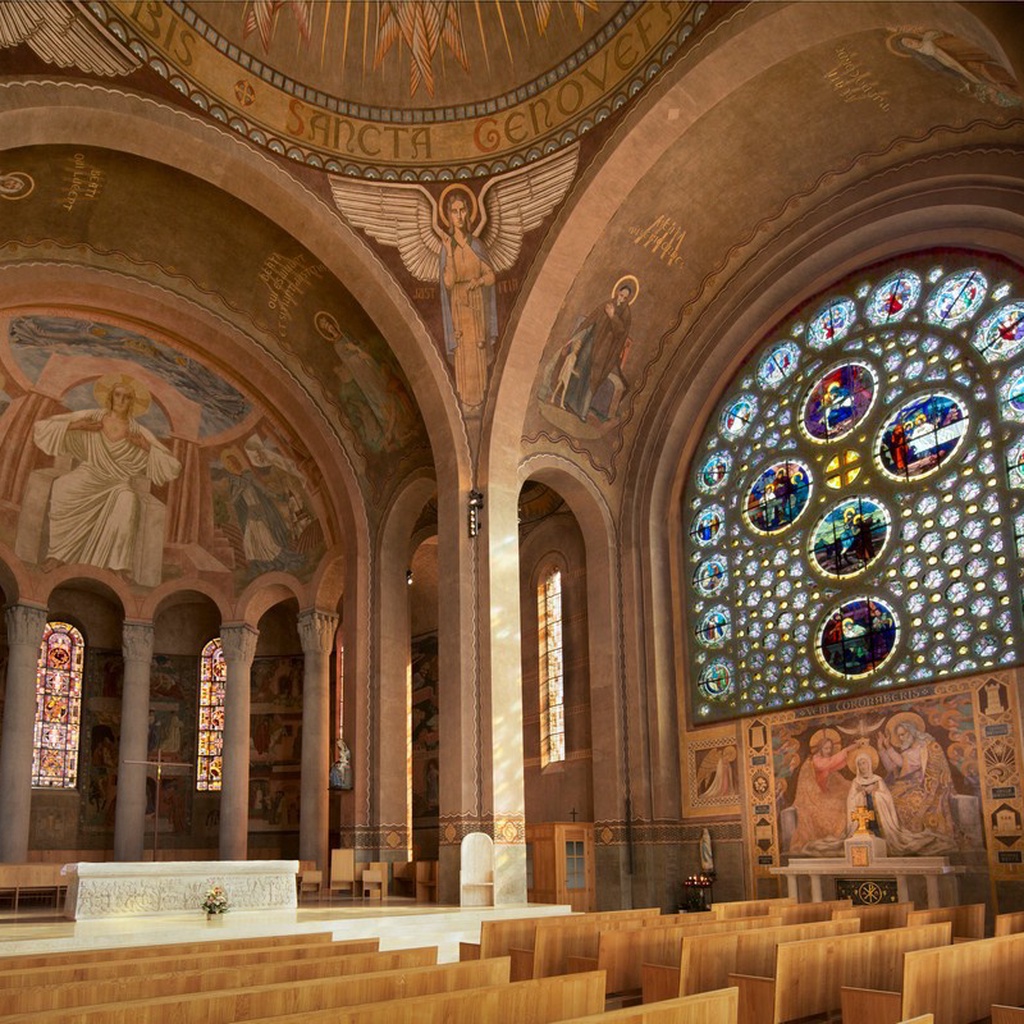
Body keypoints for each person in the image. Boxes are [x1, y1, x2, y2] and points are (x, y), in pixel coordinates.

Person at [32, 374, 181, 580]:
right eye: (117, 395)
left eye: (127, 397)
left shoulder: (138, 431)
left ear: (132, 403)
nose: (121, 400)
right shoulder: (93, 417)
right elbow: (42, 427)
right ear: (110, 397)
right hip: (89, 473)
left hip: (118, 483)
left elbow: (172, 466)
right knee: (62, 486)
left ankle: (118, 567)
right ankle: (57, 555)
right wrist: (78, 426)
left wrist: (144, 446)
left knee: (128, 501)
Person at [439, 190, 497, 408]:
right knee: (464, 350)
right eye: (454, 212)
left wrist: (479, 282)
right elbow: (447, 282)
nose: (459, 215)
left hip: (476, 304)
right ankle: (466, 400)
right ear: (449, 216)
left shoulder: (477, 245)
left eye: (462, 210)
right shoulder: (447, 249)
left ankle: (480, 399)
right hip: (459, 307)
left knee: (478, 347)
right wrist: (449, 251)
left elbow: (491, 275)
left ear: (468, 213)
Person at [879, 712, 957, 851]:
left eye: (904, 734)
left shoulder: (926, 747)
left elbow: (934, 768)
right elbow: (895, 767)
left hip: (921, 785)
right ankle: (898, 839)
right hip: (905, 784)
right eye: (900, 735)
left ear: (912, 731)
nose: (902, 738)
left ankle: (911, 837)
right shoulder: (907, 750)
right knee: (884, 799)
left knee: (905, 801)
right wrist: (884, 748)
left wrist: (925, 784)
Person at [563, 279, 634, 422]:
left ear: (627, 299)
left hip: (604, 352)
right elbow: (592, 318)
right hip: (592, 342)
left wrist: (612, 316)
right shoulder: (608, 304)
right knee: (581, 369)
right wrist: (577, 334)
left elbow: (621, 332)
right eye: (621, 295)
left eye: (625, 298)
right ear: (618, 292)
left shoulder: (626, 313)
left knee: (592, 378)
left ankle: (582, 411)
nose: (621, 298)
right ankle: (569, 401)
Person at [788, 728, 858, 854]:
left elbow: (835, 765)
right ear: (820, 748)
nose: (829, 750)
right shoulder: (815, 759)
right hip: (814, 796)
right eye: (826, 748)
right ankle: (838, 837)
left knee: (846, 795)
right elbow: (828, 764)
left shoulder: (825, 759)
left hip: (825, 792)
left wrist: (851, 753)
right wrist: (846, 750)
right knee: (836, 807)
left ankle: (848, 835)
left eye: (830, 748)